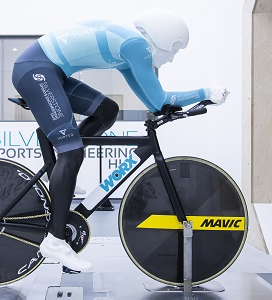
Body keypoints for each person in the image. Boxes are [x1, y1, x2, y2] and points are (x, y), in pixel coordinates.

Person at [12, 9, 229, 272]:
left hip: (46, 70)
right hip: (37, 71)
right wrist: (206, 92)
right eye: (174, 48)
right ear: (162, 37)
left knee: (107, 111)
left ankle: (61, 169)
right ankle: (55, 241)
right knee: (72, 154)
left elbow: (152, 102)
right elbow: (160, 99)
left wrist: (171, 106)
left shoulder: (129, 48)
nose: (171, 58)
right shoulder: (137, 46)